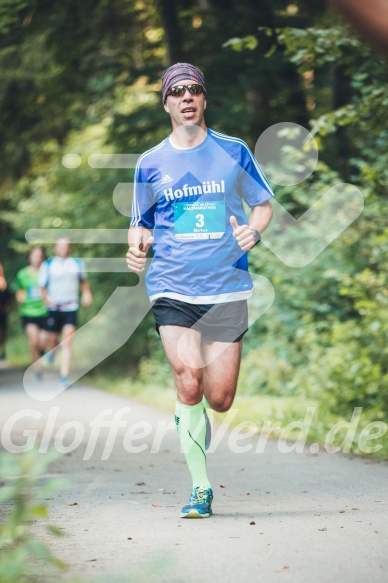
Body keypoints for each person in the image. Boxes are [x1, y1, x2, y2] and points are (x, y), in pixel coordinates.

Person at [126, 63, 274, 518]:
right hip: (172, 285)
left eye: (194, 90)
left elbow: (262, 205)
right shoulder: (150, 162)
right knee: (189, 380)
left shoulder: (233, 151)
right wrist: (136, 246)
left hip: (227, 286)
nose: (186, 97)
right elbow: (139, 224)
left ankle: (191, 414)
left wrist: (253, 231)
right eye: (177, 91)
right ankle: (200, 488)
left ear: (204, 99)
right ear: (167, 103)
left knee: (220, 399)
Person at [38, 237, 92, 388]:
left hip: (70, 307)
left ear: (69, 248)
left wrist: (87, 293)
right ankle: (53, 351)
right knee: (53, 339)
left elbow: (84, 282)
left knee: (67, 342)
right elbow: (42, 286)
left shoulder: (77, 263)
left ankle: (64, 377)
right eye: (61, 246)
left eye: (66, 246)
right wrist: (46, 298)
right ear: (55, 248)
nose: (64, 249)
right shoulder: (48, 264)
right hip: (54, 308)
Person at [14, 247, 49, 380]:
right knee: (34, 341)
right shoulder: (22, 274)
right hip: (28, 312)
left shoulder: (47, 272)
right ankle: (37, 369)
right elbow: (18, 289)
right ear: (29, 257)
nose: (37, 258)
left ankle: (42, 351)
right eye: (34, 256)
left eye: (40, 256)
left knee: (42, 342)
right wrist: (20, 296)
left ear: (43, 258)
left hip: (44, 311)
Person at [0, 262, 12, 362]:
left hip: (2, 312)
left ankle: (2, 350)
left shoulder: (3, 283)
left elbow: (9, 296)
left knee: (2, 332)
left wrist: (6, 306)